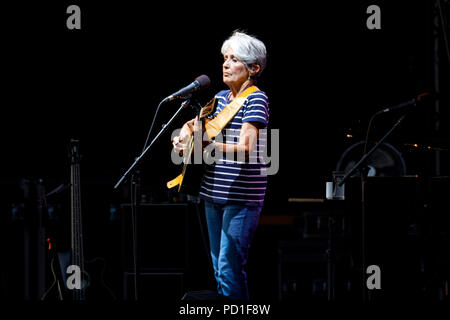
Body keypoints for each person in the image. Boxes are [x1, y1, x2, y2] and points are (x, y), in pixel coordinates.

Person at [172, 31, 269, 300]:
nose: (225, 64)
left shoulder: (255, 99)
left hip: (240, 197)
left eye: (234, 59)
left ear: (253, 68)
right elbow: (193, 126)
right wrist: (182, 139)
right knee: (218, 269)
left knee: (229, 270)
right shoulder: (220, 98)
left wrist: (208, 147)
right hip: (212, 193)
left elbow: (247, 149)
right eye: (224, 58)